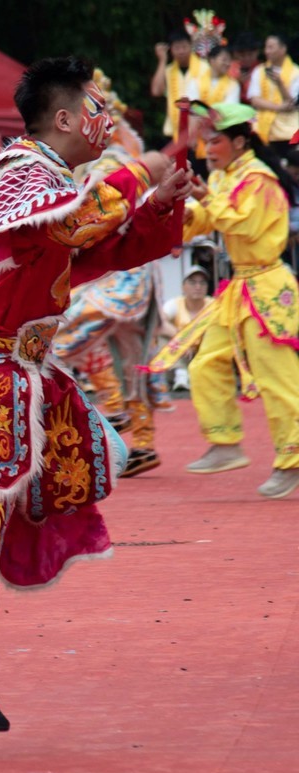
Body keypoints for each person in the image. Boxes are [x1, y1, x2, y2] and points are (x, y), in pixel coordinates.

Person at [0, 56, 191, 732]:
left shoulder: (50, 181)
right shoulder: (17, 176)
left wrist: (156, 206)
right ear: (65, 119)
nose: (104, 117)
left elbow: (88, 254)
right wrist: (138, 170)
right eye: (93, 106)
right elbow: (70, 223)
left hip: (16, 378)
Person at [173, 102, 299, 499]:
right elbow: (207, 219)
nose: (208, 148)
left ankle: (292, 461)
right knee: (205, 363)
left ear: (240, 141)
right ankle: (226, 441)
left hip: (266, 287)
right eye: (206, 141)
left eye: (216, 141)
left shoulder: (258, 179)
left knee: (278, 381)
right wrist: (179, 207)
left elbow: (241, 222)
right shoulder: (227, 178)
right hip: (240, 289)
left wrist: (205, 196)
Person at [52, 69, 173, 478]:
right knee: (129, 354)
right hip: (118, 268)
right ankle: (140, 438)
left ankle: (105, 419)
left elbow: (101, 211)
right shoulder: (96, 159)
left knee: (63, 337)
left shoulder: (116, 159)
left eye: (105, 114)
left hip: (123, 274)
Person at [155, 265, 214, 389]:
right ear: (183, 287)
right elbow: (159, 323)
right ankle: (181, 373)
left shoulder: (213, 304)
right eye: (192, 283)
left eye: (202, 283)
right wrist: (182, 340)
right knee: (162, 334)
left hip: (205, 356)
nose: (198, 287)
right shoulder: (175, 303)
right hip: (180, 356)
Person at [152, 29, 211, 142]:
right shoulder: (169, 70)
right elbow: (156, 91)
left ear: (191, 46)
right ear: (171, 50)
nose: (181, 51)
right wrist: (162, 60)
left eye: (184, 47)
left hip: (199, 132)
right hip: (174, 131)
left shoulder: (205, 68)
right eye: (177, 48)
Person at [246, 35, 299, 157]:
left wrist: (280, 84)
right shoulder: (259, 70)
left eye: (271, 47)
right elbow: (254, 99)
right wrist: (278, 108)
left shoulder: (297, 72)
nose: (266, 51)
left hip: (288, 131)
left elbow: (293, 103)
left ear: (283, 49)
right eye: (266, 47)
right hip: (263, 130)